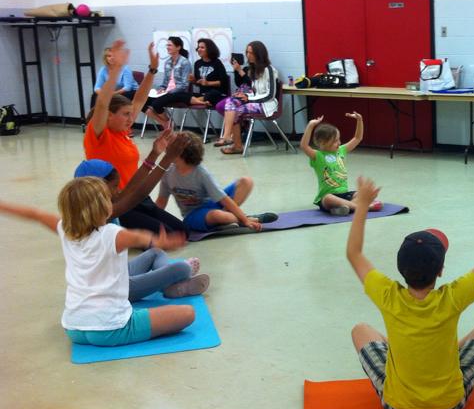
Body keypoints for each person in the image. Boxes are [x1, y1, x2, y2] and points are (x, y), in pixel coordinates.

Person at [347, 178, 474, 409]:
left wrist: (362, 205)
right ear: (441, 270)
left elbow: (354, 253)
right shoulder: (453, 297)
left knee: (361, 330)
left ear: (400, 269)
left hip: (398, 408)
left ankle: (414, 349)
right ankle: (441, 349)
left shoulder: (386, 294)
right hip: (450, 406)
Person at [5, 177, 195, 347]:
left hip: (74, 329)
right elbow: (138, 236)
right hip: (112, 328)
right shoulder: (111, 234)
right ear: (102, 206)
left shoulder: (65, 229)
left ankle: (169, 284)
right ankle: (174, 282)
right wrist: (159, 242)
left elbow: (34, 214)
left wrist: (3, 206)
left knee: (154, 256)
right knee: (188, 313)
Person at [84, 40, 187, 234]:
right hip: (117, 203)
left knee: (182, 231)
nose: (131, 118)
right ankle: (114, 229)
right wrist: (115, 69)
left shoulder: (122, 129)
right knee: (168, 234)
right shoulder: (97, 133)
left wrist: (153, 70)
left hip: (138, 196)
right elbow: (102, 102)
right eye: (125, 114)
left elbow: (139, 97)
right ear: (109, 115)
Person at [73, 156, 210, 299]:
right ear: (98, 190)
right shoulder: (99, 220)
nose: (118, 191)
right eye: (114, 186)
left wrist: (155, 154)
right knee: (181, 268)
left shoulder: (87, 215)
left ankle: (171, 287)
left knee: (156, 253)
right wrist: (157, 241)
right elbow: (137, 199)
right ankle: (175, 284)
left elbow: (132, 190)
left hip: (119, 272)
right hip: (116, 289)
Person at [155, 132, 276, 233]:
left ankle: (231, 219)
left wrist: (243, 220)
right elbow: (161, 201)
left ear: (181, 153)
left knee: (246, 182)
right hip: (193, 215)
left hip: (214, 204)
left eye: (170, 147)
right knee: (216, 215)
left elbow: (222, 198)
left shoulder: (201, 172)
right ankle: (248, 219)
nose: (166, 149)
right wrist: (151, 223)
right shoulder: (167, 173)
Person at [299, 113, 381, 215]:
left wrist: (360, 121)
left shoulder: (341, 150)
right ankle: (362, 207)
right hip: (328, 196)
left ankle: (344, 208)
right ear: (322, 142)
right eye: (334, 141)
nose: (339, 143)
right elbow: (304, 146)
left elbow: (357, 138)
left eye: (338, 139)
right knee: (328, 198)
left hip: (345, 194)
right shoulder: (317, 155)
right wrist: (310, 125)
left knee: (361, 194)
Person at [216, 41, 279, 153]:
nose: (248, 55)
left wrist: (249, 98)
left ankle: (232, 141)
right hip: (256, 102)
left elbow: (270, 95)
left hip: (266, 105)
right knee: (231, 103)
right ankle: (230, 140)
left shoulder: (269, 70)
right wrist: (245, 95)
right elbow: (256, 92)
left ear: (259, 54)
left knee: (234, 109)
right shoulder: (253, 70)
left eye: (251, 53)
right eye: (247, 52)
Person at [145, 36, 192, 126]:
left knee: (156, 104)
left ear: (178, 47)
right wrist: (160, 89)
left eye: (170, 45)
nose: (167, 47)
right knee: (145, 102)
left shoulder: (185, 62)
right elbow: (165, 82)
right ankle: (167, 124)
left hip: (179, 93)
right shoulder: (167, 62)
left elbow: (184, 84)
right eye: (167, 45)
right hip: (167, 92)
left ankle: (168, 125)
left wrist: (169, 92)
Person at [188, 38, 230, 109]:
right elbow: (198, 83)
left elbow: (224, 82)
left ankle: (193, 101)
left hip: (218, 93)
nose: (199, 49)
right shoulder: (197, 63)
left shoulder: (217, 62)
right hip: (203, 94)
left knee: (212, 94)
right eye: (198, 47)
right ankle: (199, 100)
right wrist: (194, 81)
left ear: (209, 49)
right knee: (184, 95)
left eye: (202, 47)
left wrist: (208, 83)